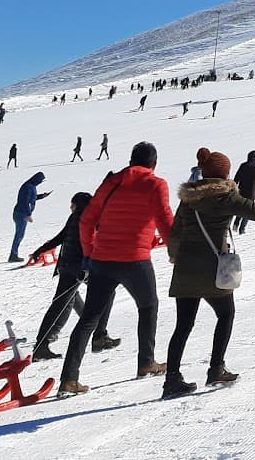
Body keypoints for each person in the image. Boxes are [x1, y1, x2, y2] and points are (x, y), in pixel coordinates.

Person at [160, 148, 255, 397]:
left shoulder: (188, 198)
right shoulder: (227, 197)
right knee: (226, 314)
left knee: (183, 325)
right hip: (213, 270)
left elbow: (176, 230)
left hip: (186, 268)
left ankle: (171, 380)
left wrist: (174, 256)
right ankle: (216, 369)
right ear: (224, 174)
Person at [58, 141, 174, 396]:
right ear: (154, 164)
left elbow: (87, 220)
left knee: (89, 318)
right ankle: (146, 362)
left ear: (131, 160)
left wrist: (90, 252)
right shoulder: (155, 184)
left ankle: (68, 378)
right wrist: (174, 249)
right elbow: (165, 219)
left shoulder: (112, 183)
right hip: (135, 260)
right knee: (148, 306)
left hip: (103, 260)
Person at [30, 192, 98, 360]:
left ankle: (93, 327)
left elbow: (60, 238)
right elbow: (86, 243)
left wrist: (41, 249)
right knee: (61, 304)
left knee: (69, 300)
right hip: (77, 269)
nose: (71, 208)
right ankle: (42, 344)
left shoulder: (75, 217)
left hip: (69, 267)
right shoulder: (85, 218)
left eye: (72, 204)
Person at [9, 172, 50, 262]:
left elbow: (32, 198)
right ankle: (13, 255)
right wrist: (28, 215)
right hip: (21, 214)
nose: (40, 183)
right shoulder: (28, 187)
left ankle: (13, 254)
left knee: (20, 234)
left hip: (21, 213)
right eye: (40, 181)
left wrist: (42, 196)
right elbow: (25, 202)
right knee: (19, 235)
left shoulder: (31, 186)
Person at [232, 151, 255, 235]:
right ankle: (242, 229)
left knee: (241, 207)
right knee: (248, 210)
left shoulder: (243, 165)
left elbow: (237, 177)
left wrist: (233, 186)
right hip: (252, 192)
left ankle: (236, 224)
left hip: (241, 191)